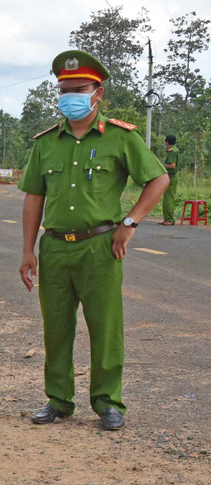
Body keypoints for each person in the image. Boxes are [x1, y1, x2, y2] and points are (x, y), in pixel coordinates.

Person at [18, 50, 168, 430]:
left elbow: (158, 179)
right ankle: (58, 400)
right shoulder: (46, 142)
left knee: (105, 326)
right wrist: (27, 250)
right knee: (56, 326)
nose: (70, 96)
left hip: (100, 246)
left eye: (79, 89)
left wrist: (130, 223)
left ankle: (108, 402)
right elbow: (34, 197)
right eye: (64, 89)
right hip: (54, 247)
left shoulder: (120, 137)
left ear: (98, 93)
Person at [160, 134, 179, 225]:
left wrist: (161, 165)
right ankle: (167, 218)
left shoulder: (172, 152)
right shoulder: (172, 150)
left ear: (167, 142)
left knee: (169, 199)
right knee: (167, 198)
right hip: (169, 177)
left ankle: (170, 220)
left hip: (171, 178)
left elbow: (172, 165)